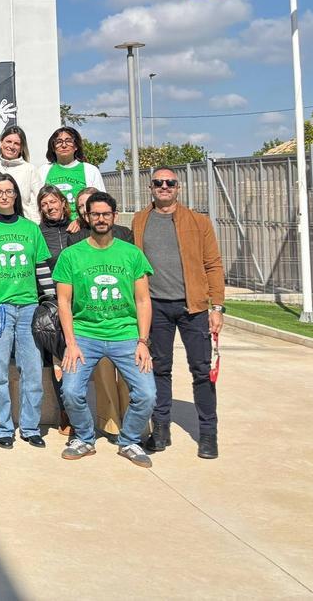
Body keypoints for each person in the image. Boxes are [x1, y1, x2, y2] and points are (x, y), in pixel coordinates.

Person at [53, 191, 156, 468]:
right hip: (85, 335)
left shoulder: (132, 254)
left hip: (126, 335)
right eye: (95, 214)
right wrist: (71, 343)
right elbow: (64, 302)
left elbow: (143, 300)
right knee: (71, 392)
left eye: (105, 214)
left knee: (147, 394)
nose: (100, 218)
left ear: (114, 216)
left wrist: (143, 341)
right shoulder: (71, 255)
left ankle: (129, 440)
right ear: (87, 216)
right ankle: (85, 438)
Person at [133, 168, 225, 459]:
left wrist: (217, 307)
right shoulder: (140, 220)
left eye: (170, 183)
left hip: (192, 307)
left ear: (178, 187)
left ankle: (208, 434)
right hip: (156, 307)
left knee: (201, 370)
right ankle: (161, 430)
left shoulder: (198, 222)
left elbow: (213, 265)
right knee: (159, 369)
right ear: (150, 187)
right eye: (158, 183)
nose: (164, 186)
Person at [0, 172, 54, 449]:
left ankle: (30, 427)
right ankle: (3, 428)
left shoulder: (31, 229)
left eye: (9, 191)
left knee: (32, 372)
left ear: (16, 195)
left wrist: (52, 302)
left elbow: (41, 268)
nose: (4, 196)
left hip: (29, 307)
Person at [36, 184, 75, 434]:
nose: (50, 207)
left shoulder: (77, 228)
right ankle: (66, 411)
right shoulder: (38, 233)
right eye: (44, 204)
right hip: (51, 302)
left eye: (53, 201)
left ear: (63, 202)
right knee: (59, 359)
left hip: (79, 301)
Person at [38, 127, 104, 225]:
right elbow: (38, 202)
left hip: (82, 226)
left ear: (76, 146)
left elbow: (101, 202)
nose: (64, 145)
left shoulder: (90, 170)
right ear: (53, 147)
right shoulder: (43, 170)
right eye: (59, 142)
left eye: (68, 141)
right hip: (52, 228)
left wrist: (79, 221)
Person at [0, 126, 40, 223]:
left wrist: (36, 224)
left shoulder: (30, 169)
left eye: (16, 143)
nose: (12, 146)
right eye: (8, 141)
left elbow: (38, 200)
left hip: (24, 224)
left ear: (21, 148)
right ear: (1, 143)